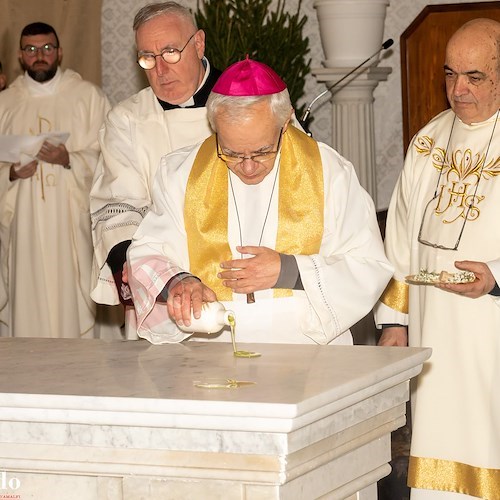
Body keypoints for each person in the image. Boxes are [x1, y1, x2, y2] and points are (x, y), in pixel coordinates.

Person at [126, 57, 393, 345]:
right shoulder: (182, 173)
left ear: (286, 119)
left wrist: (289, 271)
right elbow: (147, 251)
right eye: (232, 152)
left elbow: (368, 265)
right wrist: (178, 283)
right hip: (210, 347)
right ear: (214, 125)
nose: (248, 167)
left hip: (306, 347)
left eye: (262, 151)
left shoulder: (329, 172)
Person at [374, 18, 500, 499]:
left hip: (490, 331)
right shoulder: (428, 142)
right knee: (437, 453)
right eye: (450, 74)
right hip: (433, 334)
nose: (458, 89)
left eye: (475, 77)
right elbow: (401, 239)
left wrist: (496, 277)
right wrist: (394, 322)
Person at [90, 1, 222, 336]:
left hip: (236, 276)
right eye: (148, 57)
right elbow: (117, 205)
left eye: (170, 52)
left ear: (199, 43)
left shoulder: (246, 100)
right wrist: (128, 263)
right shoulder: (128, 120)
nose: (160, 70)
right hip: (163, 286)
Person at [0, 22, 110, 338]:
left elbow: (112, 160)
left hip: (70, 224)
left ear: (60, 52)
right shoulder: (5, 104)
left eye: (47, 48)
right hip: (23, 228)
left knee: (71, 303)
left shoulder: (88, 97)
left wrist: (70, 160)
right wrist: (9, 173)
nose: (40, 56)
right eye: (31, 49)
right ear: (21, 56)